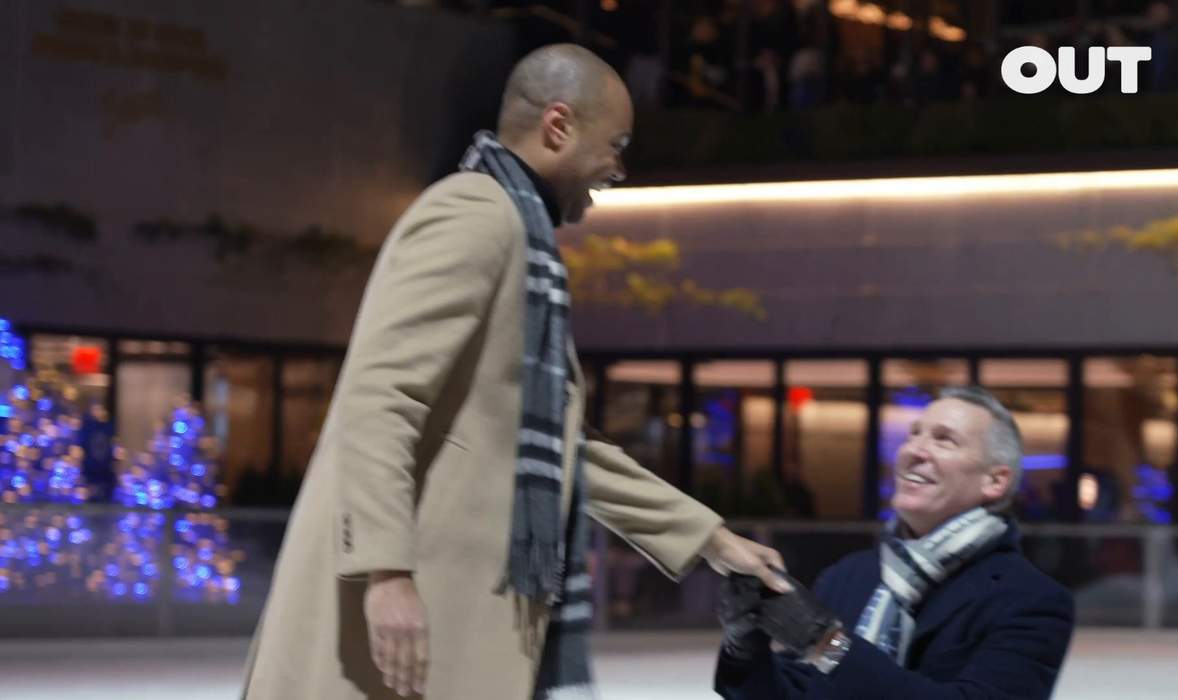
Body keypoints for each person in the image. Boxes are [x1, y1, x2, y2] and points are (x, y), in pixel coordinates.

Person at [240, 44, 789, 700]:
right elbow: (382, 396)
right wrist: (386, 574)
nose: (617, 167)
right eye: (614, 144)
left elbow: (559, 450)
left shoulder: (521, 241)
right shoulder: (473, 216)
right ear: (558, 127)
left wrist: (709, 539)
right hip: (402, 624)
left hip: (455, 621)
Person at [715, 386, 1075, 700]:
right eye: (913, 435)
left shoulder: (1032, 601)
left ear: (995, 481)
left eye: (944, 439)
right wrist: (745, 647)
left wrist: (829, 645)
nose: (914, 451)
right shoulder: (847, 577)